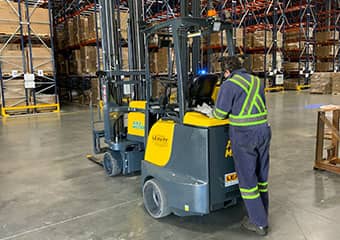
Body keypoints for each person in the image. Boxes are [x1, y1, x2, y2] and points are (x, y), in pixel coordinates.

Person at [212, 56, 271, 236]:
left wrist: (212, 110)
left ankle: (258, 223)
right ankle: (262, 213)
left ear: (227, 72)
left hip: (244, 135)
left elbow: (220, 114)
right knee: (261, 177)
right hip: (263, 131)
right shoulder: (256, 81)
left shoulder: (229, 85)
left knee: (247, 181)